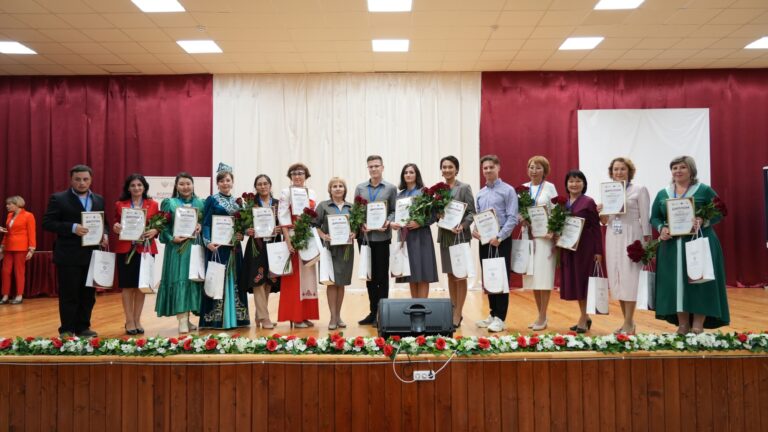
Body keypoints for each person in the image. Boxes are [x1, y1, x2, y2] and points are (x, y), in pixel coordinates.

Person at [650, 155, 729, 334]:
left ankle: (698, 325)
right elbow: (654, 217)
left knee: (700, 282)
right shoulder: (663, 193)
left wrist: (703, 220)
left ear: (691, 170)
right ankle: (683, 324)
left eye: (682, 167)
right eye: (674, 168)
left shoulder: (704, 190)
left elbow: (720, 211)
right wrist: (662, 228)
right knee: (676, 283)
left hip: (699, 243)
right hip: (672, 247)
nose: (678, 171)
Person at [42, 164, 108, 337]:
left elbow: (104, 223)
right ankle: (67, 329)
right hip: (68, 256)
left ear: (91, 180)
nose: (82, 183)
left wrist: (105, 234)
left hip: (92, 254)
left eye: (85, 179)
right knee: (69, 295)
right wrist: (72, 228)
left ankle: (83, 327)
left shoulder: (99, 199)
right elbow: (47, 223)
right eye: (77, 179)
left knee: (88, 295)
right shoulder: (59, 198)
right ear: (71, 180)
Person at [598, 158, 651, 334]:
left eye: (622, 169)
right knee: (617, 278)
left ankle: (629, 322)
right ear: (611, 172)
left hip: (632, 235)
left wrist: (647, 243)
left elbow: (645, 217)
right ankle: (627, 322)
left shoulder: (639, 189)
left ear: (629, 171)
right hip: (613, 235)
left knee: (630, 279)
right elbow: (605, 221)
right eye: (615, 169)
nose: (619, 172)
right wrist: (601, 212)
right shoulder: (609, 190)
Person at [200, 167, 250, 329]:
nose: (225, 183)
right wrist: (208, 242)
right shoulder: (212, 200)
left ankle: (237, 318)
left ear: (232, 182)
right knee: (217, 278)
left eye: (228, 180)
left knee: (235, 278)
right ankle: (215, 319)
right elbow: (206, 223)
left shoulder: (238, 202)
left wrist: (242, 234)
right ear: (217, 183)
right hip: (217, 246)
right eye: (221, 181)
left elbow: (241, 225)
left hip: (233, 246)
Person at [473, 155, 519, 333]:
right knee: (489, 276)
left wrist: (499, 237)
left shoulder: (508, 191)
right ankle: (492, 314)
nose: (488, 170)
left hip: (501, 241)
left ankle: (501, 318)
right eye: (485, 168)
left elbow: (512, 217)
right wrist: (475, 230)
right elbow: (479, 218)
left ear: (498, 167)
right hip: (485, 242)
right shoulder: (480, 193)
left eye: (491, 167)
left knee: (501, 277)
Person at [154, 172, 204, 333]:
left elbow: (206, 224)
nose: (185, 187)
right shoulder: (170, 203)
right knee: (179, 279)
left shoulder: (200, 203)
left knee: (191, 281)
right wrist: (171, 238)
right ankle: (182, 319)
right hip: (176, 249)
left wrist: (201, 226)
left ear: (193, 185)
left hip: (194, 247)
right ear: (176, 186)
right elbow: (162, 227)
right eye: (181, 184)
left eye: (188, 183)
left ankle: (187, 319)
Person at [112, 174, 160, 335]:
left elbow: (159, 225)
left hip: (145, 250)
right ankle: (129, 320)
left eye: (139, 185)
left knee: (141, 286)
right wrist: (116, 227)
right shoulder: (120, 204)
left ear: (144, 187)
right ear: (128, 188)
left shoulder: (153, 204)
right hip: (125, 249)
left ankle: (138, 319)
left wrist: (155, 230)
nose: (136, 188)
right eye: (133, 185)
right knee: (127, 286)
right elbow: (115, 223)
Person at [353, 155, 397, 325]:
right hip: (365, 238)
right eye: (370, 166)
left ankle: (382, 313)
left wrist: (388, 221)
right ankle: (373, 312)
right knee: (369, 276)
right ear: (368, 168)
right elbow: (356, 211)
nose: (373, 169)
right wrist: (360, 223)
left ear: (382, 167)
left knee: (382, 277)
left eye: (376, 166)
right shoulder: (360, 188)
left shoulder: (391, 188)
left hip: (382, 237)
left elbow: (394, 210)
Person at [558, 170, 603, 333]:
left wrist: (598, 251)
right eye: (571, 181)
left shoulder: (588, 202)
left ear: (584, 184)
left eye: (578, 181)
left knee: (583, 282)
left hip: (585, 249)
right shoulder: (564, 203)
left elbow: (596, 227)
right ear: (566, 184)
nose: (574, 184)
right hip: (569, 248)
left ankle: (583, 318)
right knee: (576, 283)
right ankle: (585, 316)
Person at [278, 162, 320, 328]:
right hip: (293, 236)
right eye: (294, 173)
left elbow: (313, 216)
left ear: (306, 176)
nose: (297, 176)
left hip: (307, 237)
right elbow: (283, 217)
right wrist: (288, 241)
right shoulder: (285, 192)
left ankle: (305, 314)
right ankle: (295, 316)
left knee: (308, 277)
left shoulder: (312, 192)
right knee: (294, 278)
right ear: (290, 176)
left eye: (300, 173)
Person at [435, 156, 475, 329]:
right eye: (444, 167)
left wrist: (463, 225)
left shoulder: (464, 188)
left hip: (460, 237)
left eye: (450, 167)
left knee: (460, 275)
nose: (447, 170)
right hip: (445, 235)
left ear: (456, 169)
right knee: (451, 275)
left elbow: (472, 212)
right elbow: (436, 212)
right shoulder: (439, 190)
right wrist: (438, 215)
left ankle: (458, 312)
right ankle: (452, 309)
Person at [521, 156, 558, 331]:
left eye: (538, 168)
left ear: (545, 170)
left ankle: (543, 315)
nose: (534, 171)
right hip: (528, 236)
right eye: (531, 167)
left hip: (544, 237)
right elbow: (518, 211)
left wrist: (553, 230)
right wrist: (521, 218)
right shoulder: (523, 188)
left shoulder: (549, 187)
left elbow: (557, 211)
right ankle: (540, 315)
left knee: (544, 277)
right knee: (533, 278)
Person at [391, 163, 438, 299]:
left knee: (423, 273)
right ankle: (415, 305)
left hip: (421, 236)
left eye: (411, 172)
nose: (408, 175)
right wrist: (393, 223)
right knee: (410, 273)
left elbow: (434, 215)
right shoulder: (399, 195)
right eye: (405, 172)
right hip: (405, 237)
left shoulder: (424, 193)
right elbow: (395, 214)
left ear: (416, 175)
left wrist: (420, 222)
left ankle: (422, 306)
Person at [314, 177, 356, 330]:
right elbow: (314, 225)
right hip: (329, 249)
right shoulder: (323, 206)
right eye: (334, 186)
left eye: (340, 186)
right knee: (331, 283)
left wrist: (354, 233)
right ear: (330, 190)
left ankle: (338, 316)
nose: (338, 188)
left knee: (341, 283)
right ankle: (332, 317)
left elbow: (356, 226)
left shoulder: (351, 207)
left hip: (346, 250)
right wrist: (323, 235)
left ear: (345, 189)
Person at [241, 174, 281, 330]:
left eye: (265, 183)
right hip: (256, 247)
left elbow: (284, 223)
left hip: (273, 245)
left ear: (270, 185)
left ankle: (259, 316)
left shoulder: (278, 204)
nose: (263, 186)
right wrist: (247, 230)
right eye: (259, 184)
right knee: (258, 281)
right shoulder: (250, 205)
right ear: (255, 187)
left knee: (269, 281)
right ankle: (265, 318)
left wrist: (280, 228)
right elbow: (241, 225)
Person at [0, 196, 36, 304]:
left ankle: (19, 296)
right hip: (8, 247)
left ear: (17, 204)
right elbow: (8, 232)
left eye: (9, 204)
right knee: (5, 271)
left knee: (19, 272)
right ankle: (5, 296)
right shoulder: (9, 215)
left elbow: (32, 233)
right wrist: (2, 245)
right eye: (7, 204)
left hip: (21, 247)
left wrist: (31, 249)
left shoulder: (28, 215)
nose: (7, 206)